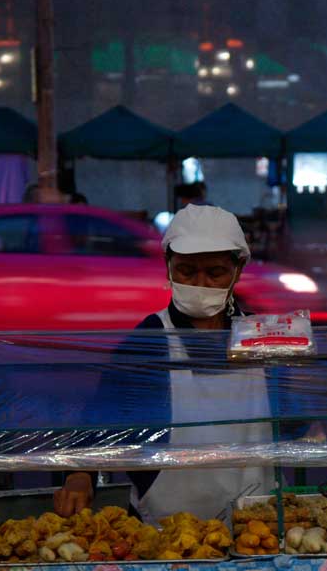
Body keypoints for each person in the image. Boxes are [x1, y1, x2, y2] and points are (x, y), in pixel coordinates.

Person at [54, 205, 275, 521]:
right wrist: (80, 474)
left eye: (215, 272)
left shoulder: (262, 337)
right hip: (163, 533)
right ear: (168, 266)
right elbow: (101, 415)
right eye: (187, 271)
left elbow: (299, 416)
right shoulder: (148, 341)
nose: (201, 284)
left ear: (238, 270)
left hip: (255, 527)